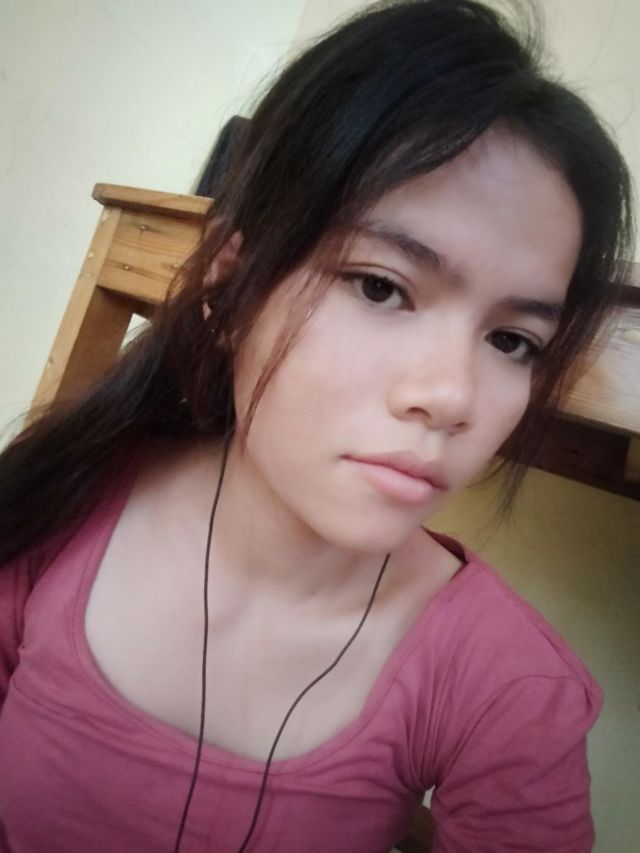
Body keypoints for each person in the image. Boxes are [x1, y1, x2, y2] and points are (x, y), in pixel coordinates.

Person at [0, 1, 634, 851]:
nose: (452, 397)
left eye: (512, 340)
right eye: (380, 286)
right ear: (230, 286)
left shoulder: (510, 692)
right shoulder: (55, 504)